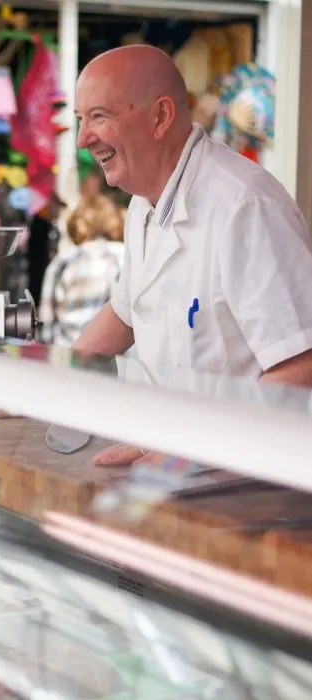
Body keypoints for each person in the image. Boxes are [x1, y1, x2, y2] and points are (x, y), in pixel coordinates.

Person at [73, 44, 312, 466]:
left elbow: (300, 365)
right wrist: (45, 389)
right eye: (80, 120)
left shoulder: (245, 206)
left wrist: (190, 452)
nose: (83, 138)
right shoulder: (143, 203)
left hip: (249, 477)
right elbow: (126, 312)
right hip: (178, 464)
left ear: (160, 117)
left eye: (99, 117)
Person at [39, 196, 124, 346]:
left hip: (70, 354)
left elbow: (47, 325)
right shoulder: (124, 257)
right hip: (117, 359)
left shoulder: (62, 262)